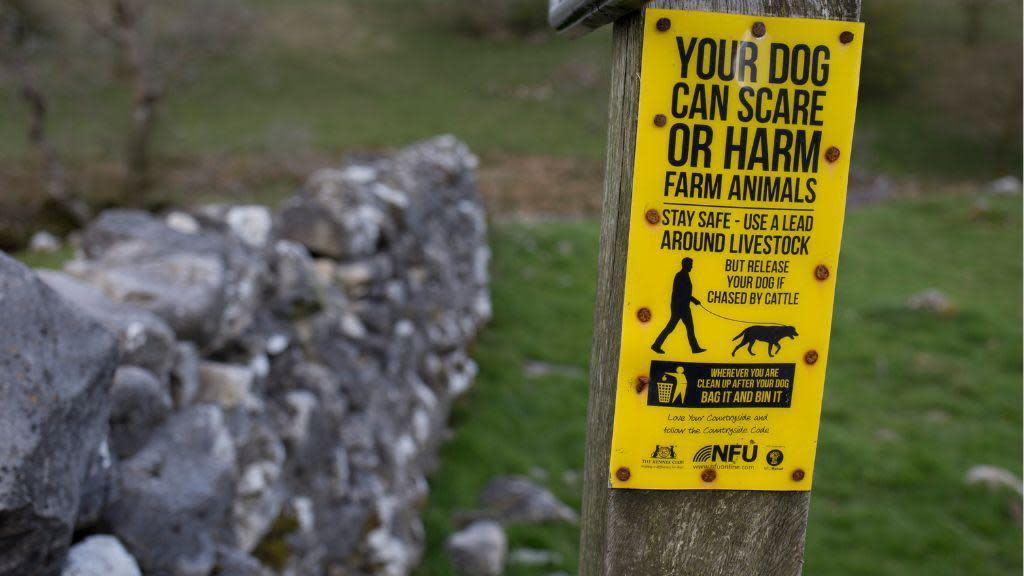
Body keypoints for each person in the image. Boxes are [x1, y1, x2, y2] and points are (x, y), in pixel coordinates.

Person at [651, 257, 706, 355]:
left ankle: (695, 348)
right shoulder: (680, 276)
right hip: (680, 307)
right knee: (673, 327)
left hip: (683, 306)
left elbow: (685, 293)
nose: (692, 267)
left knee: (687, 328)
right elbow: (682, 293)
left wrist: (693, 300)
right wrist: (694, 300)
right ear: (686, 265)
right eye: (690, 265)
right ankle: (656, 345)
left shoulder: (684, 275)